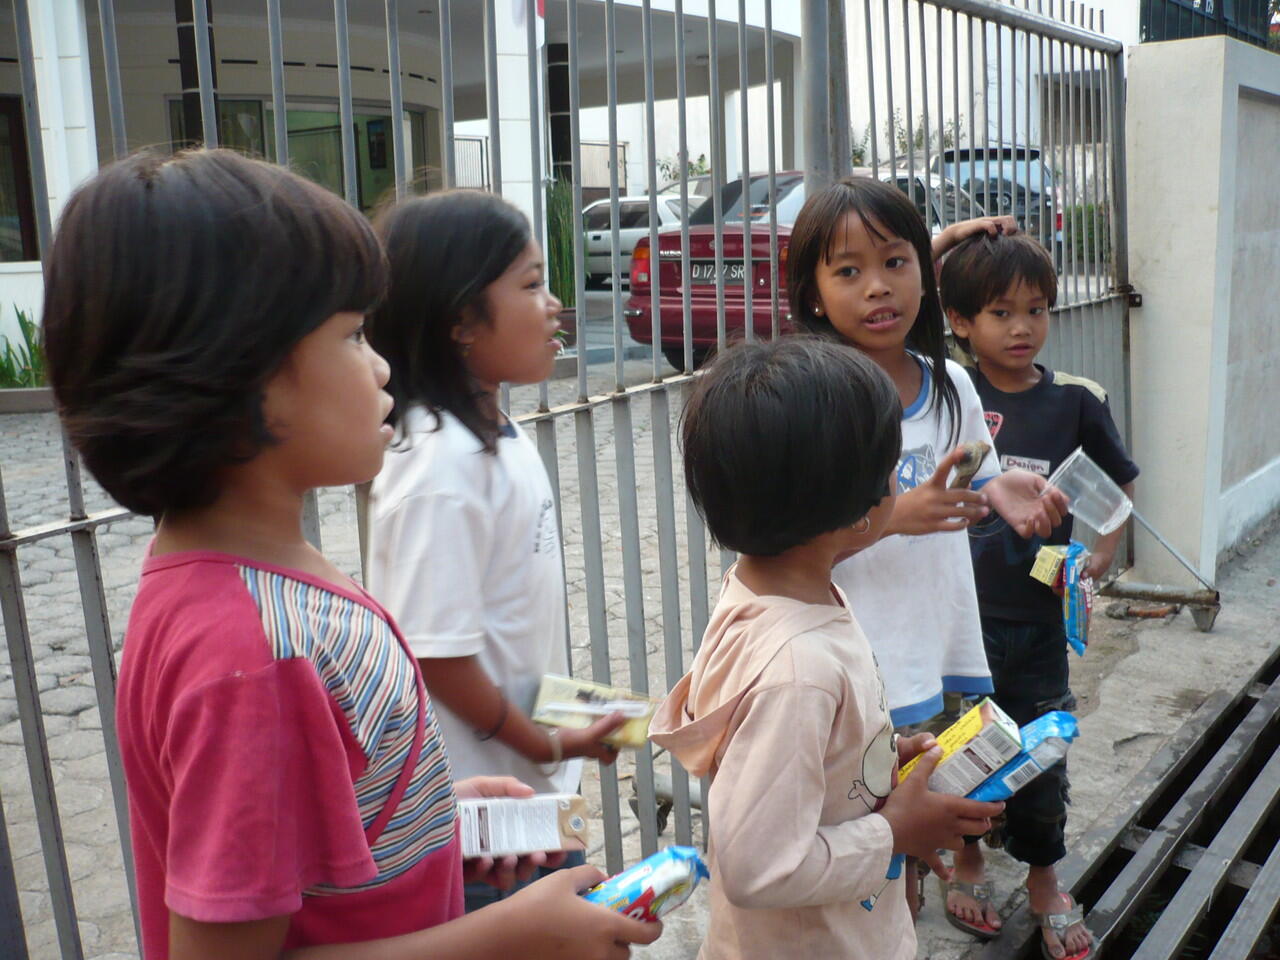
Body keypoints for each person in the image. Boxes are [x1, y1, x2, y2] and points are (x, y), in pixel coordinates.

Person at [42, 148, 660, 960]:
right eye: (353, 334)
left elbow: (319, 823)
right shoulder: (254, 654)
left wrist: (433, 816)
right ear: (243, 377)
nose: (381, 366)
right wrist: (513, 935)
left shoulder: (257, 579)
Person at [650, 337, 1006, 960]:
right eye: (892, 466)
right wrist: (894, 831)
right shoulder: (798, 669)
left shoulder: (767, 591)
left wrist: (873, 760)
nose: (900, 480)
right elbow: (757, 867)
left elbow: (795, 752)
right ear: (861, 512)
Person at [785, 177, 1069, 918]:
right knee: (872, 834)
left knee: (929, 816)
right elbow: (791, 546)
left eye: (896, 262)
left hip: (940, 649)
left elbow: (981, 468)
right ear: (813, 295)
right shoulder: (819, 402)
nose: (877, 288)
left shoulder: (951, 386)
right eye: (848, 271)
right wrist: (892, 515)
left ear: (924, 272)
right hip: (861, 666)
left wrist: (1005, 492)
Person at [364, 190, 624, 911]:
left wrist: (559, 726)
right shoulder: (438, 469)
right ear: (458, 322)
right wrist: (548, 747)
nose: (555, 304)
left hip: (527, 775)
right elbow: (439, 656)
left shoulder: (490, 431)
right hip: (484, 819)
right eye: (533, 283)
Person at [939, 231, 1138, 959]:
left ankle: (1044, 877)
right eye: (1000, 312)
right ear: (960, 322)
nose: (1022, 327)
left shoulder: (1075, 402)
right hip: (961, 624)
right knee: (964, 751)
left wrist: (1099, 560)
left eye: (1036, 309)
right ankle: (964, 861)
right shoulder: (952, 394)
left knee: (1042, 751)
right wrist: (942, 245)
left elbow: (1119, 487)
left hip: (1040, 623)